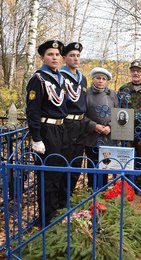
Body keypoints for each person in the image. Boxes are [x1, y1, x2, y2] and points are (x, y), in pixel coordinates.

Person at [26, 40, 67, 226]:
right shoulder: (38, 79)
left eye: (57, 54)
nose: (55, 57)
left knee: (58, 173)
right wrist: (36, 138)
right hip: (46, 130)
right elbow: (32, 110)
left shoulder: (58, 77)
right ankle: (45, 218)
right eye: (50, 54)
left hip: (60, 128)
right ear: (43, 57)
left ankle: (55, 210)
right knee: (48, 175)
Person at [58, 42, 87, 205]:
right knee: (64, 162)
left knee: (76, 163)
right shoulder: (60, 76)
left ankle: (68, 198)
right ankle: (60, 202)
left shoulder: (82, 78)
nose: (76, 59)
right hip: (67, 123)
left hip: (81, 124)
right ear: (64, 58)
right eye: (72, 55)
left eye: (78, 56)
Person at [118, 60, 141, 189]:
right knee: (126, 158)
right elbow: (118, 109)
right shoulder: (124, 89)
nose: (136, 73)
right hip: (126, 131)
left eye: (139, 71)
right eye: (133, 70)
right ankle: (126, 185)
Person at [84, 67, 118, 189]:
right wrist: (94, 126)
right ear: (93, 79)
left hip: (107, 136)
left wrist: (110, 127)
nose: (101, 81)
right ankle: (92, 188)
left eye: (104, 79)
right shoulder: (86, 93)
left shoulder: (113, 94)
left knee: (105, 164)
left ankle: (103, 189)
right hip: (92, 136)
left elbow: (118, 114)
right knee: (92, 163)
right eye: (98, 78)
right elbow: (81, 115)